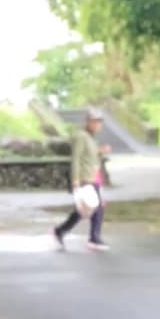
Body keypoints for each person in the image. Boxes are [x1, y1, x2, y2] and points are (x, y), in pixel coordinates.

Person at [53, 107, 111, 251]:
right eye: (95, 122)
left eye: (99, 122)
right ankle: (93, 238)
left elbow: (90, 157)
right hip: (85, 178)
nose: (97, 125)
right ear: (88, 122)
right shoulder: (80, 136)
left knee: (85, 209)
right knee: (94, 207)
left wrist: (100, 152)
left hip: (93, 177)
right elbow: (76, 158)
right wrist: (75, 180)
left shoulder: (91, 138)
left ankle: (61, 230)